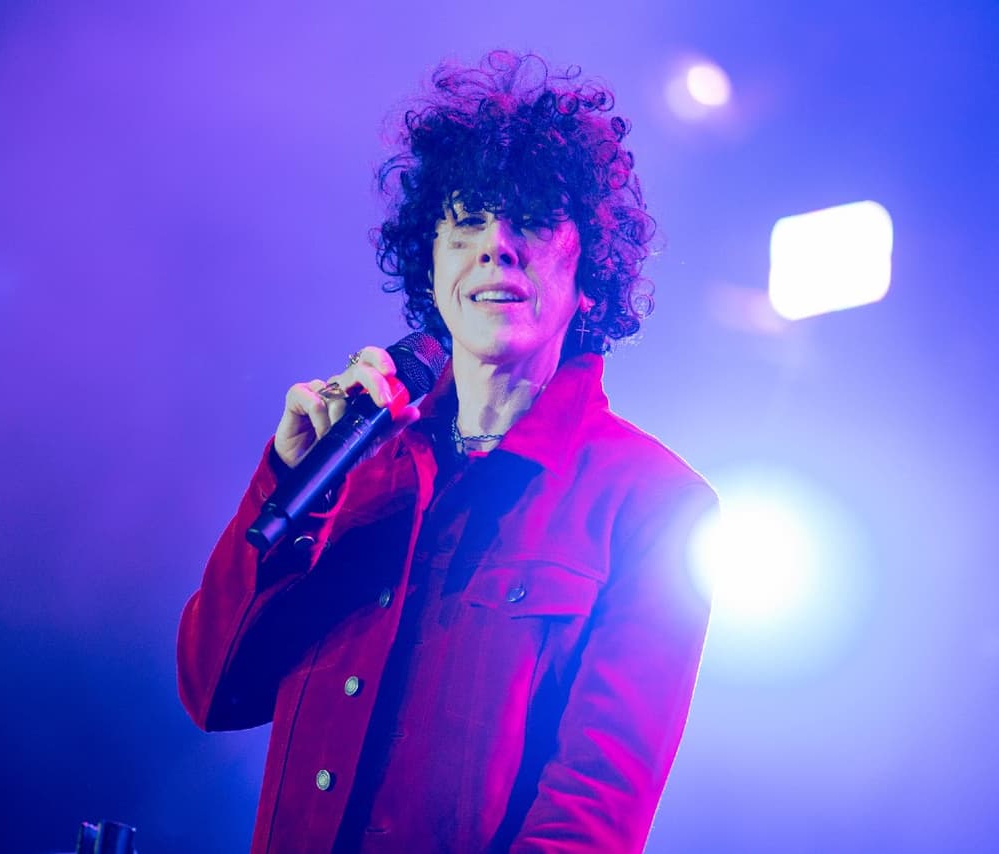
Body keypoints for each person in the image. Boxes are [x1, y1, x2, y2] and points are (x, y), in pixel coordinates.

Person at [177, 50, 718, 853]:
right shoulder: (358, 461)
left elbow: (589, 817)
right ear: (430, 265)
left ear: (590, 268)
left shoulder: (653, 504)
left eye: (532, 219)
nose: (495, 245)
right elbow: (213, 690)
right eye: (465, 223)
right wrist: (291, 480)